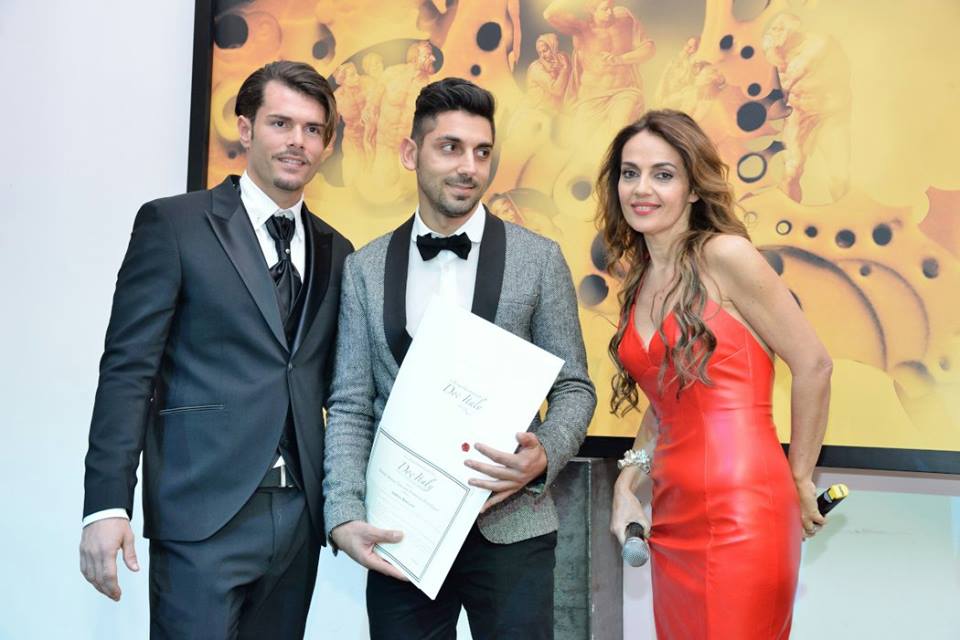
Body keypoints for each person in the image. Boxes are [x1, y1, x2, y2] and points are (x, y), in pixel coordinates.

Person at [79, 61, 353, 638]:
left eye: (312, 129)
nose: (297, 141)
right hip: (201, 512)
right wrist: (107, 504)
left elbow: (341, 388)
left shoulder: (338, 250)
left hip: (298, 520)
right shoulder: (174, 224)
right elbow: (127, 371)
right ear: (245, 128)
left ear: (326, 145)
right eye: (281, 123)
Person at [323, 77, 596, 639]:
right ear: (411, 153)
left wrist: (545, 452)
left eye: (482, 151)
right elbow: (350, 405)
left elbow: (574, 387)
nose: (469, 167)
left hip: (512, 527)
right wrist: (345, 513)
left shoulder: (539, 259)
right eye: (450, 148)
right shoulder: (364, 269)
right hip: (401, 532)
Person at [597, 110, 832, 638]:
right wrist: (627, 484)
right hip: (672, 519)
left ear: (694, 188)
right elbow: (664, 409)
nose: (642, 189)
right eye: (630, 173)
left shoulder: (727, 255)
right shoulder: (640, 279)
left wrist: (799, 476)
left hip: (743, 512)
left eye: (663, 174)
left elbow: (814, 364)